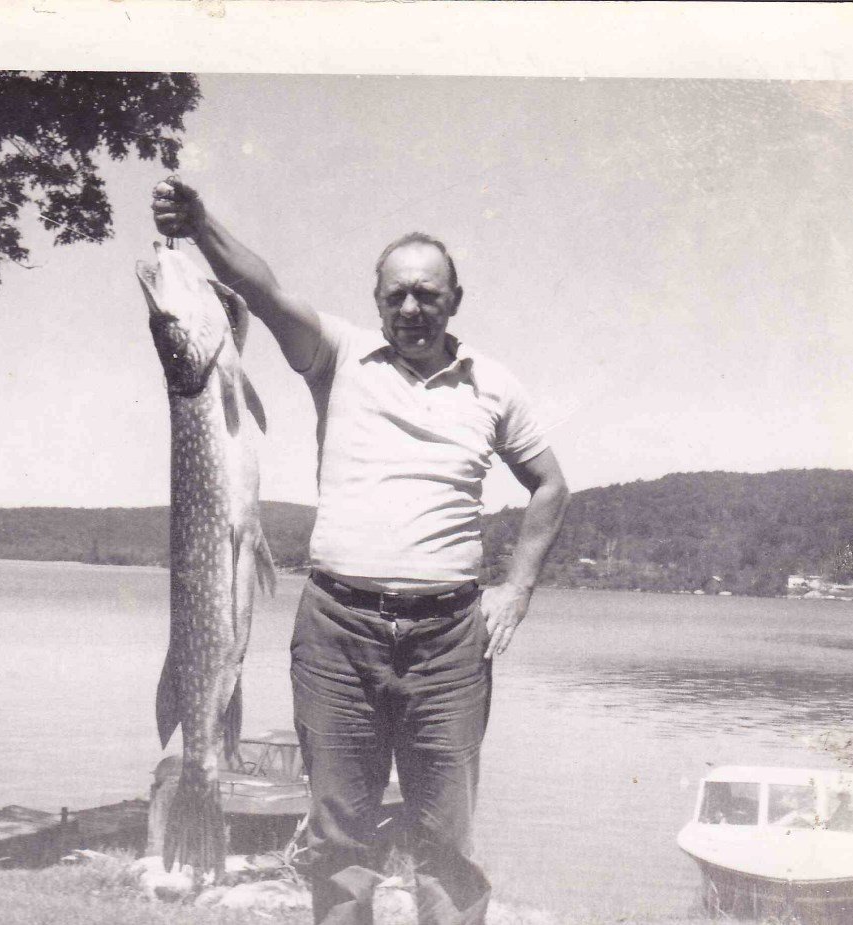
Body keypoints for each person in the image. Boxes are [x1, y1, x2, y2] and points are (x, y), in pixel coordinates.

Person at [152, 178, 570, 925]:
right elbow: (265, 290)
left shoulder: (494, 386)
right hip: (337, 635)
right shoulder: (338, 354)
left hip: (448, 643)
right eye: (397, 295)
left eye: (427, 294)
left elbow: (550, 486)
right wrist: (199, 224)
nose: (412, 308)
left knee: (447, 844)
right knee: (341, 846)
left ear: (454, 300)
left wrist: (517, 589)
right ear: (377, 301)